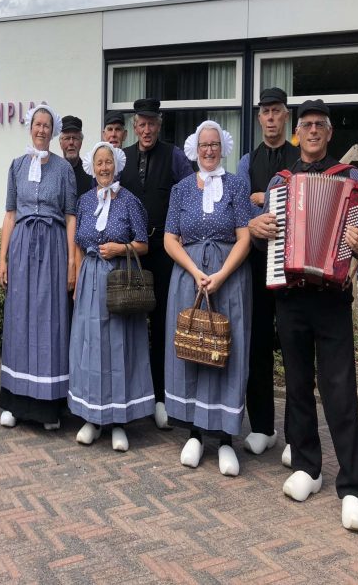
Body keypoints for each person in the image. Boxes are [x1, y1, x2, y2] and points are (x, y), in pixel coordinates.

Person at [248, 99, 358, 533]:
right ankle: (307, 466)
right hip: (292, 296)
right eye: (307, 125)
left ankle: (354, 486)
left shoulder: (352, 178)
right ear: (298, 133)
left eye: (320, 125)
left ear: (329, 132)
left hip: (333, 297)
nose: (313, 131)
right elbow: (263, 235)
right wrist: (258, 231)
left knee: (340, 391)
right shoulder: (282, 181)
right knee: (296, 384)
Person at [163, 121, 251, 476]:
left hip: (228, 280)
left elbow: (244, 237)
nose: (209, 150)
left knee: (226, 353)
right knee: (194, 349)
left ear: (222, 148)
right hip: (189, 279)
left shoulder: (236, 186)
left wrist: (220, 274)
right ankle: (196, 433)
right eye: (204, 145)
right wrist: (195, 271)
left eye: (215, 144)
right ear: (195, 149)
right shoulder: (182, 189)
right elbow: (170, 238)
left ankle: (227, 439)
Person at [68, 141, 154, 450]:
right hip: (91, 277)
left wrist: (120, 248)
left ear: (116, 165)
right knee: (91, 348)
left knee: (119, 347)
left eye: (109, 162)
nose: (104, 167)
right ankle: (92, 418)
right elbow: (78, 243)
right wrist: (77, 279)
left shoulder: (130, 201)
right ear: (93, 167)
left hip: (120, 280)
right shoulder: (84, 201)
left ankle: (119, 421)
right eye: (99, 162)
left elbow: (143, 244)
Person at [0, 104, 77, 430]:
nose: (42, 130)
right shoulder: (16, 166)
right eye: (37, 124)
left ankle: (48, 406)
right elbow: (10, 215)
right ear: (30, 128)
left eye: (47, 125)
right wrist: (2, 258)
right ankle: (15, 402)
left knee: (50, 321)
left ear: (53, 130)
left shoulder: (64, 170)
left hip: (54, 247)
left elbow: (71, 215)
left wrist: (73, 259)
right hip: (21, 248)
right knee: (20, 319)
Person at [120, 98, 194, 429]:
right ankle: (133, 393)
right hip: (132, 253)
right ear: (134, 126)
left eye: (152, 123)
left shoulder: (175, 156)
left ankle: (162, 397)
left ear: (159, 124)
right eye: (141, 123)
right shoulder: (123, 158)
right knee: (132, 320)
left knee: (163, 322)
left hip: (165, 251)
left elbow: (191, 191)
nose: (147, 129)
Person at [236, 87, 299, 461]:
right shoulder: (247, 161)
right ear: (259, 118)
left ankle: (297, 436)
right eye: (266, 112)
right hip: (257, 267)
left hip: (293, 267)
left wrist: (265, 198)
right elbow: (240, 205)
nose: (271, 118)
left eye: (277, 111)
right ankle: (262, 427)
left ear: (285, 116)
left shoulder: (299, 156)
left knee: (293, 350)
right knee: (257, 347)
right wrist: (252, 213)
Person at [59, 115, 92, 197]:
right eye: (67, 138)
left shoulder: (90, 174)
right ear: (60, 143)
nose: (71, 142)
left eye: (75, 138)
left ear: (81, 143)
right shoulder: (54, 173)